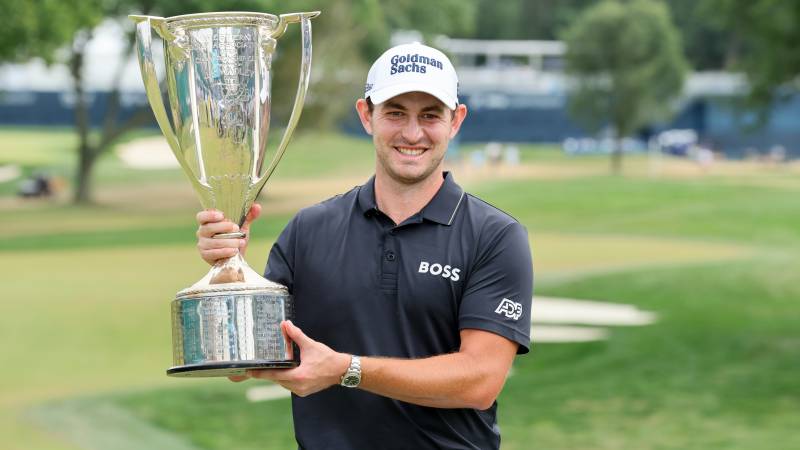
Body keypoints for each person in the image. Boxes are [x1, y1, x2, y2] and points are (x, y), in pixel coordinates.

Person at [196, 42, 533, 450]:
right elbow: (244, 364)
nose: (412, 133)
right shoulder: (309, 230)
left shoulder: (495, 237)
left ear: (456, 120)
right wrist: (231, 271)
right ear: (365, 115)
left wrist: (347, 369)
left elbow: (479, 381)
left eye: (430, 115)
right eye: (395, 113)